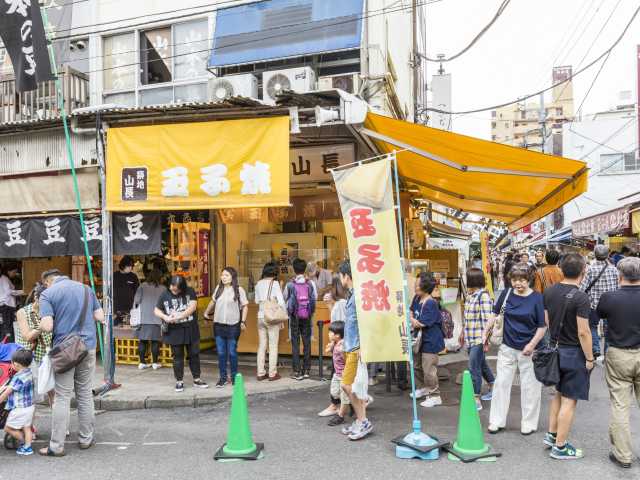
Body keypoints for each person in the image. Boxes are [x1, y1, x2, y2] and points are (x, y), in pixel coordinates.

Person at [38, 269, 104, 457]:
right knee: (84, 393)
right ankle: (86, 439)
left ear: (48, 281)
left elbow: (48, 326)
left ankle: (57, 446)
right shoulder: (86, 289)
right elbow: (99, 316)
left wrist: (41, 325)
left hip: (65, 350)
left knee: (62, 396)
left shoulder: (47, 294)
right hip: (88, 347)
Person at [543, 254, 593, 460]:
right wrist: (590, 358)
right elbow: (584, 332)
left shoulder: (549, 291)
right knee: (569, 400)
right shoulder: (581, 297)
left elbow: (547, 321)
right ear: (583, 272)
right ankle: (560, 447)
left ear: (561, 270)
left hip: (555, 350)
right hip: (573, 352)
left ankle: (552, 434)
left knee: (558, 394)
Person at [488, 263, 546, 435]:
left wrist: (531, 345)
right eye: (514, 280)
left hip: (529, 349)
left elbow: (542, 327)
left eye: (522, 280)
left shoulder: (537, 298)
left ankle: (528, 423)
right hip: (507, 346)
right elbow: (494, 313)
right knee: (501, 384)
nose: (518, 284)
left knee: (530, 387)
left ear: (529, 279)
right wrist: (485, 333)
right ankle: (496, 421)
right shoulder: (506, 294)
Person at [596, 257, 640, 469]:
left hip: (619, 354)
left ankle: (623, 455)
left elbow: (598, 315)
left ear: (619, 275)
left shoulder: (609, 297)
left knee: (620, 406)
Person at [155, 275, 208, 392]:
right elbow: (156, 310)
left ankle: (197, 379)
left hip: (190, 329)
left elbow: (192, 307)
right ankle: (179, 381)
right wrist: (165, 317)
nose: (174, 291)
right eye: (172, 288)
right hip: (174, 331)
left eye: (177, 289)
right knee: (177, 356)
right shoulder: (164, 294)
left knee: (194, 354)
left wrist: (179, 316)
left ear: (182, 288)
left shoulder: (190, 292)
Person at [338, 260, 372, 440]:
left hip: (355, 348)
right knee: (350, 386)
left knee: (347, 385)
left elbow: (365, 323)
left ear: (346, 276)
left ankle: (363, 420)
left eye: (340, 276)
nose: (339, 279)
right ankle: (360, 421)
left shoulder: (357, 296)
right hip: (352, 346)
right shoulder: (354, 295)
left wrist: (362, 346)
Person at [204, 267, 248, 387]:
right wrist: (206, 313)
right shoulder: (219, 288)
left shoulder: (239, 290)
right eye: (222, 275)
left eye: (227, 275)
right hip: (218, 325)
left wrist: (243, 321)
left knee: (232, 352)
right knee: (221, 352)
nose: (223, 277)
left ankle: (234, 377)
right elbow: (213, 301)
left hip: (233, 326)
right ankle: (223, 378)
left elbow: (245, 306)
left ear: (233, 277)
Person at [460, 268, 495, 411]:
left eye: (468, 278)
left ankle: (476, 398)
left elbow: (488, 321)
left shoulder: (483, 296)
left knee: (474, 367)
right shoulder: (470, 295)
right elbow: (467, 317)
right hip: (470, 337)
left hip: (479, 339)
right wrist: (462, 332)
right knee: (481, 364)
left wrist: (485, 341)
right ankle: (494, 385)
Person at [410, 272, 445, 408]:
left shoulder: (431, 303)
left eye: (417, 284)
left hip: (431, 341)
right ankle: (424, 388)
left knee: (429, 369)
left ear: (425, 287)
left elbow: (420, 323)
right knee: (416, 365)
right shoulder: (417, 298)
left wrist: (411, 320)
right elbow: (411, 310)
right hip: (419, 340)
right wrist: (412, 318)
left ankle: (435, 395)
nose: (415, 286)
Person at [580, 245, 618, 359]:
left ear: (595, 255)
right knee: (608, 329)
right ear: (607, 255)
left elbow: (582, 288)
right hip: (611, 305)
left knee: (592, 326)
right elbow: (619, 287)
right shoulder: (614, 269)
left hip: (594, 304)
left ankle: (596, 348)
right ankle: (606, 352)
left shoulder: (590, 270)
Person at [284, 258, 317, 380]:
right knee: (306, 342)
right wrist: (310, 312)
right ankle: (307, 370)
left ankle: (297, 371)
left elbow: (284, 298)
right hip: (307, 316)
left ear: (294, 269)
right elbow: (314, 298)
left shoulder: (290, 284)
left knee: (295, 343)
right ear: (305, 269)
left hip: (294, 317)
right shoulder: (310, 283)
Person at [253, 262, 285, 381]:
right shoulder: (275, 283)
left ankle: (260, 373)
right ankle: (272, 373)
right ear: (275, 272)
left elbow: (256, 301)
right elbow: (281, 302)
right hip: (271, 317)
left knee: (262, 345)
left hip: (260, 317)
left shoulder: (258, 284)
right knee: (273, 346)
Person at [0, 349, 35, 456]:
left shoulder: (17, 378)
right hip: (30, 407)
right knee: (27, 427)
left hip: (19, 409)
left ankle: (24, 441)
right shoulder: (29, 373)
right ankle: (28, 447)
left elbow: (6, 394)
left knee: (8, 428)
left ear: (15, 364)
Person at [318, 321, 351, 426]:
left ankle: (341, 414)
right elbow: (328, 350)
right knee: (334, 392)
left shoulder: (342, 347)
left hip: (344, 376)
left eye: (330, 332)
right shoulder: (336, 343)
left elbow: (348, 361)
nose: (328, 334)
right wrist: (331, 345)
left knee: (344, 395)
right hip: (337, 374)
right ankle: (355, 402)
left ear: (337, 335)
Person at [133, 269, 166, 370]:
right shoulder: (163, 288)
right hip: (157, 318)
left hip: (143, 318)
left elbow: (136, 301)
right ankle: (155, 363)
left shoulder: (142, 286)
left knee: (142, 341)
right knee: (155, 341)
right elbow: (166, 303)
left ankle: (142, 362)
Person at [0, 263, 24, 343]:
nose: (14, 274)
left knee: (7, 325)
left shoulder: (5, 278)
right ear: (8, 271)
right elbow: (9, 291)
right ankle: (8, 343)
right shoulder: (4, 278)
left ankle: (7, 342)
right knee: (8, 326)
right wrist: (22, 291)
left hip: (6, 305)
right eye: (13, 272)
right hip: (6, 305)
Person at [113, 256, 139, 326]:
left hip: (130, 309)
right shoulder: (114, 276)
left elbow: (137, 292)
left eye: (132, 266)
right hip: (117, 309)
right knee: (116, 329)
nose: (131, 268)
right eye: (129, 266)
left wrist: (136, 306)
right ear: (123, 265)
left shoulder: (133, 276)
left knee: (129, 329)